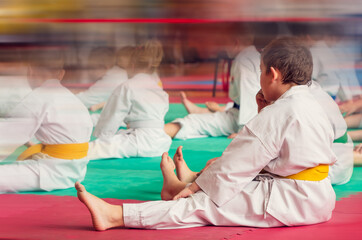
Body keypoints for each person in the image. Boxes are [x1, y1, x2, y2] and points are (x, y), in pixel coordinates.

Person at [75, 37, 336, 230]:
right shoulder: (309, 102)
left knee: (203, 205)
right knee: (217, 173)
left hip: (293, 200)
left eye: (260, 72)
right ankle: (180, 186)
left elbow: (238, 163)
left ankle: (115, 216)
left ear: (273, 74)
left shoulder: (279, 112)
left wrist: (196, 187)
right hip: (314, 194)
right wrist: (262, 111)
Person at [0, 49, 93, 193]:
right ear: (61, 74)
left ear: (30, 71)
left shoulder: (37, 97)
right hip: (77, 171)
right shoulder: (72, 99)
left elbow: (6, 138)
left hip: (52, 172)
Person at [165, 26, 260, 139]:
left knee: (193, 122)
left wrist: (244, 132)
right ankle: (203, 111)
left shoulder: (244, 63)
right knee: (222, 112)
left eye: (225, 43)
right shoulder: (254, 56)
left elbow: (249, 99)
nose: (224, 48)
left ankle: (152, 133)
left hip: (245, 119)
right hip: (244, 113)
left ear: (235, 43)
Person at [87, 39, 171, 160]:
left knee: (92, 149)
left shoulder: (127, 86)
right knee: (120, 138)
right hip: (161, 143)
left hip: (139, 142)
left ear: (131, 66)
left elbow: (112, 115)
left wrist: (102, 137)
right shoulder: (160, 91)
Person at [76, 47, 130, 125]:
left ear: (104, 67)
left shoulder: (112, 80)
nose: (89, 72)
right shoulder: (118, 72)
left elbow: (82, 101)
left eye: (91, 68)